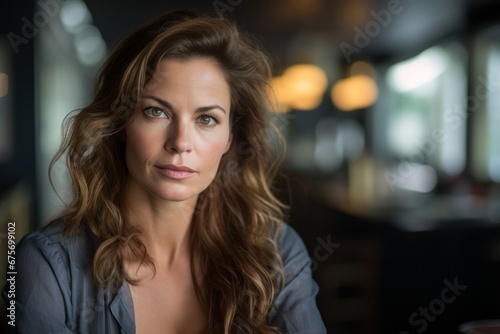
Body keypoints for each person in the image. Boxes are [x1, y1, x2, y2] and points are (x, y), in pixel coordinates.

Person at [2, 10, 326, 334]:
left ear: (230, 137)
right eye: (156, 111)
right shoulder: (44, 264)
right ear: (120, 123)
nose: (180, 143)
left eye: (206, 119)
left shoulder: (275, 253)